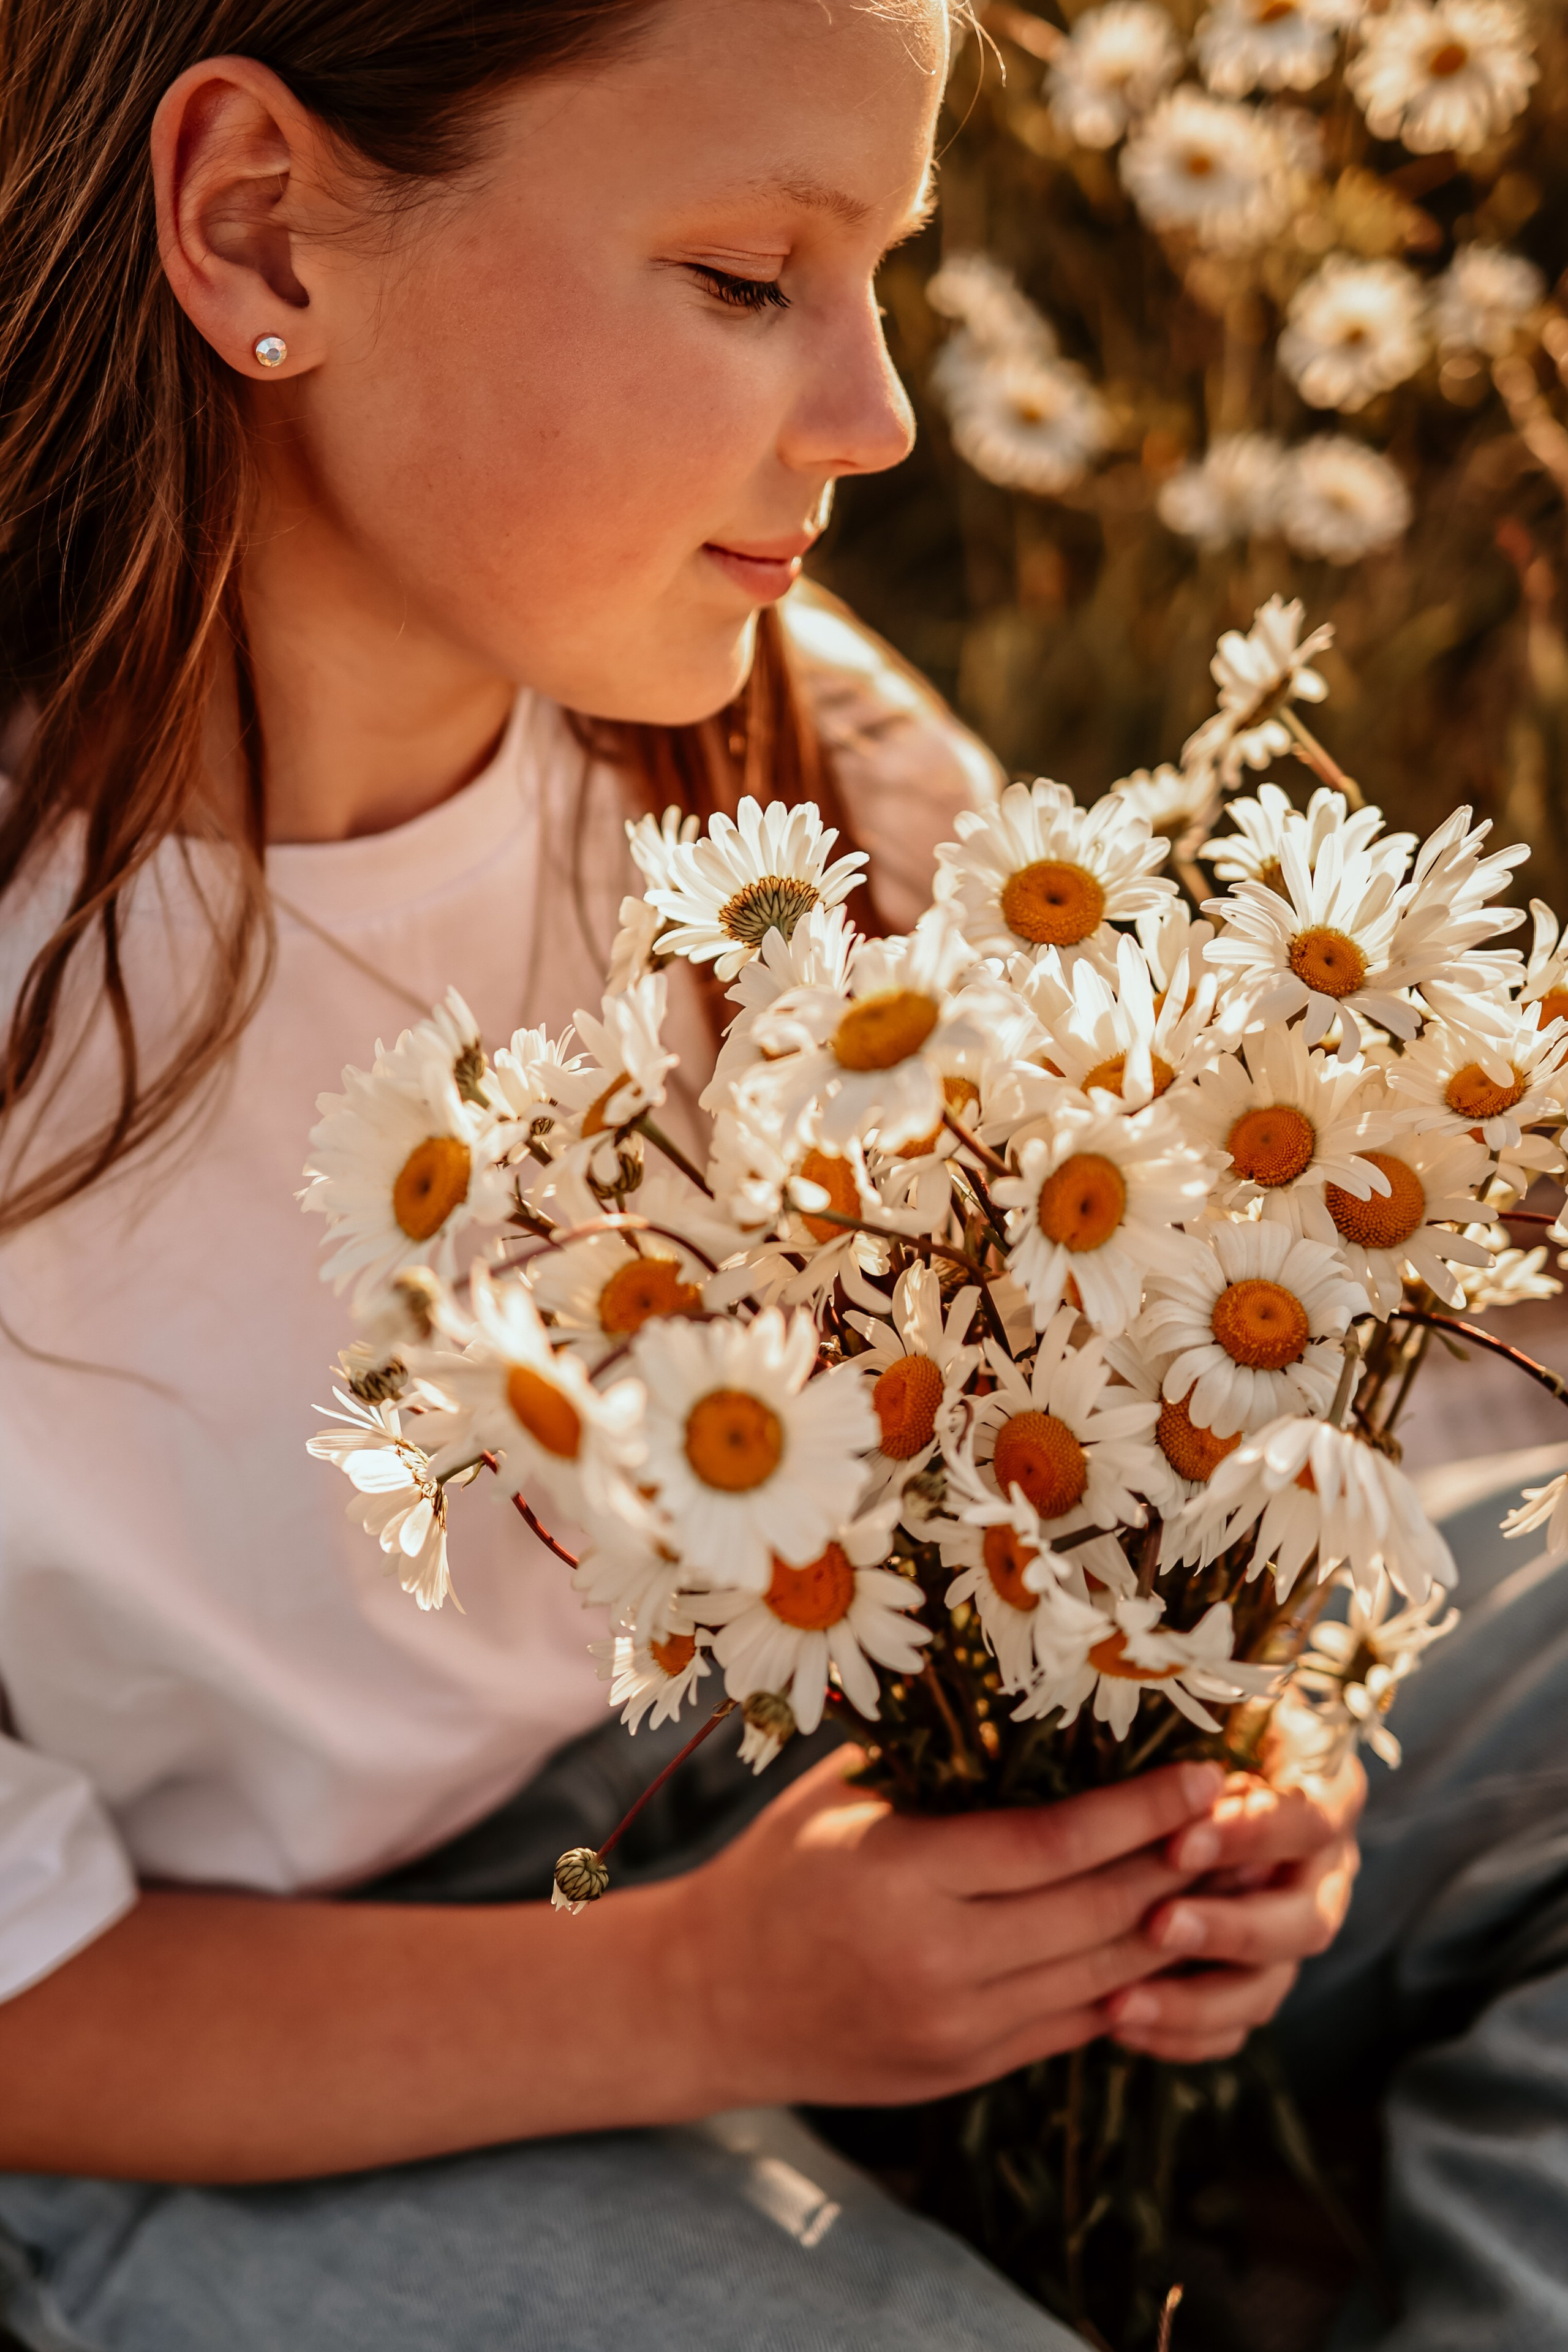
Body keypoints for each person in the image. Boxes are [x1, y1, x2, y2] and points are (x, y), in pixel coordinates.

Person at [0, 4, 1362, 2345]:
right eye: (750, 278)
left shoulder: (789, 749)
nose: (880, 417)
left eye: (883, 279)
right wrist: (700, 2004)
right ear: (256, 218)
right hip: (210, 2068)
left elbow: (1047, 1386)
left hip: (792, 1792)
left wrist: (1212, 1754)